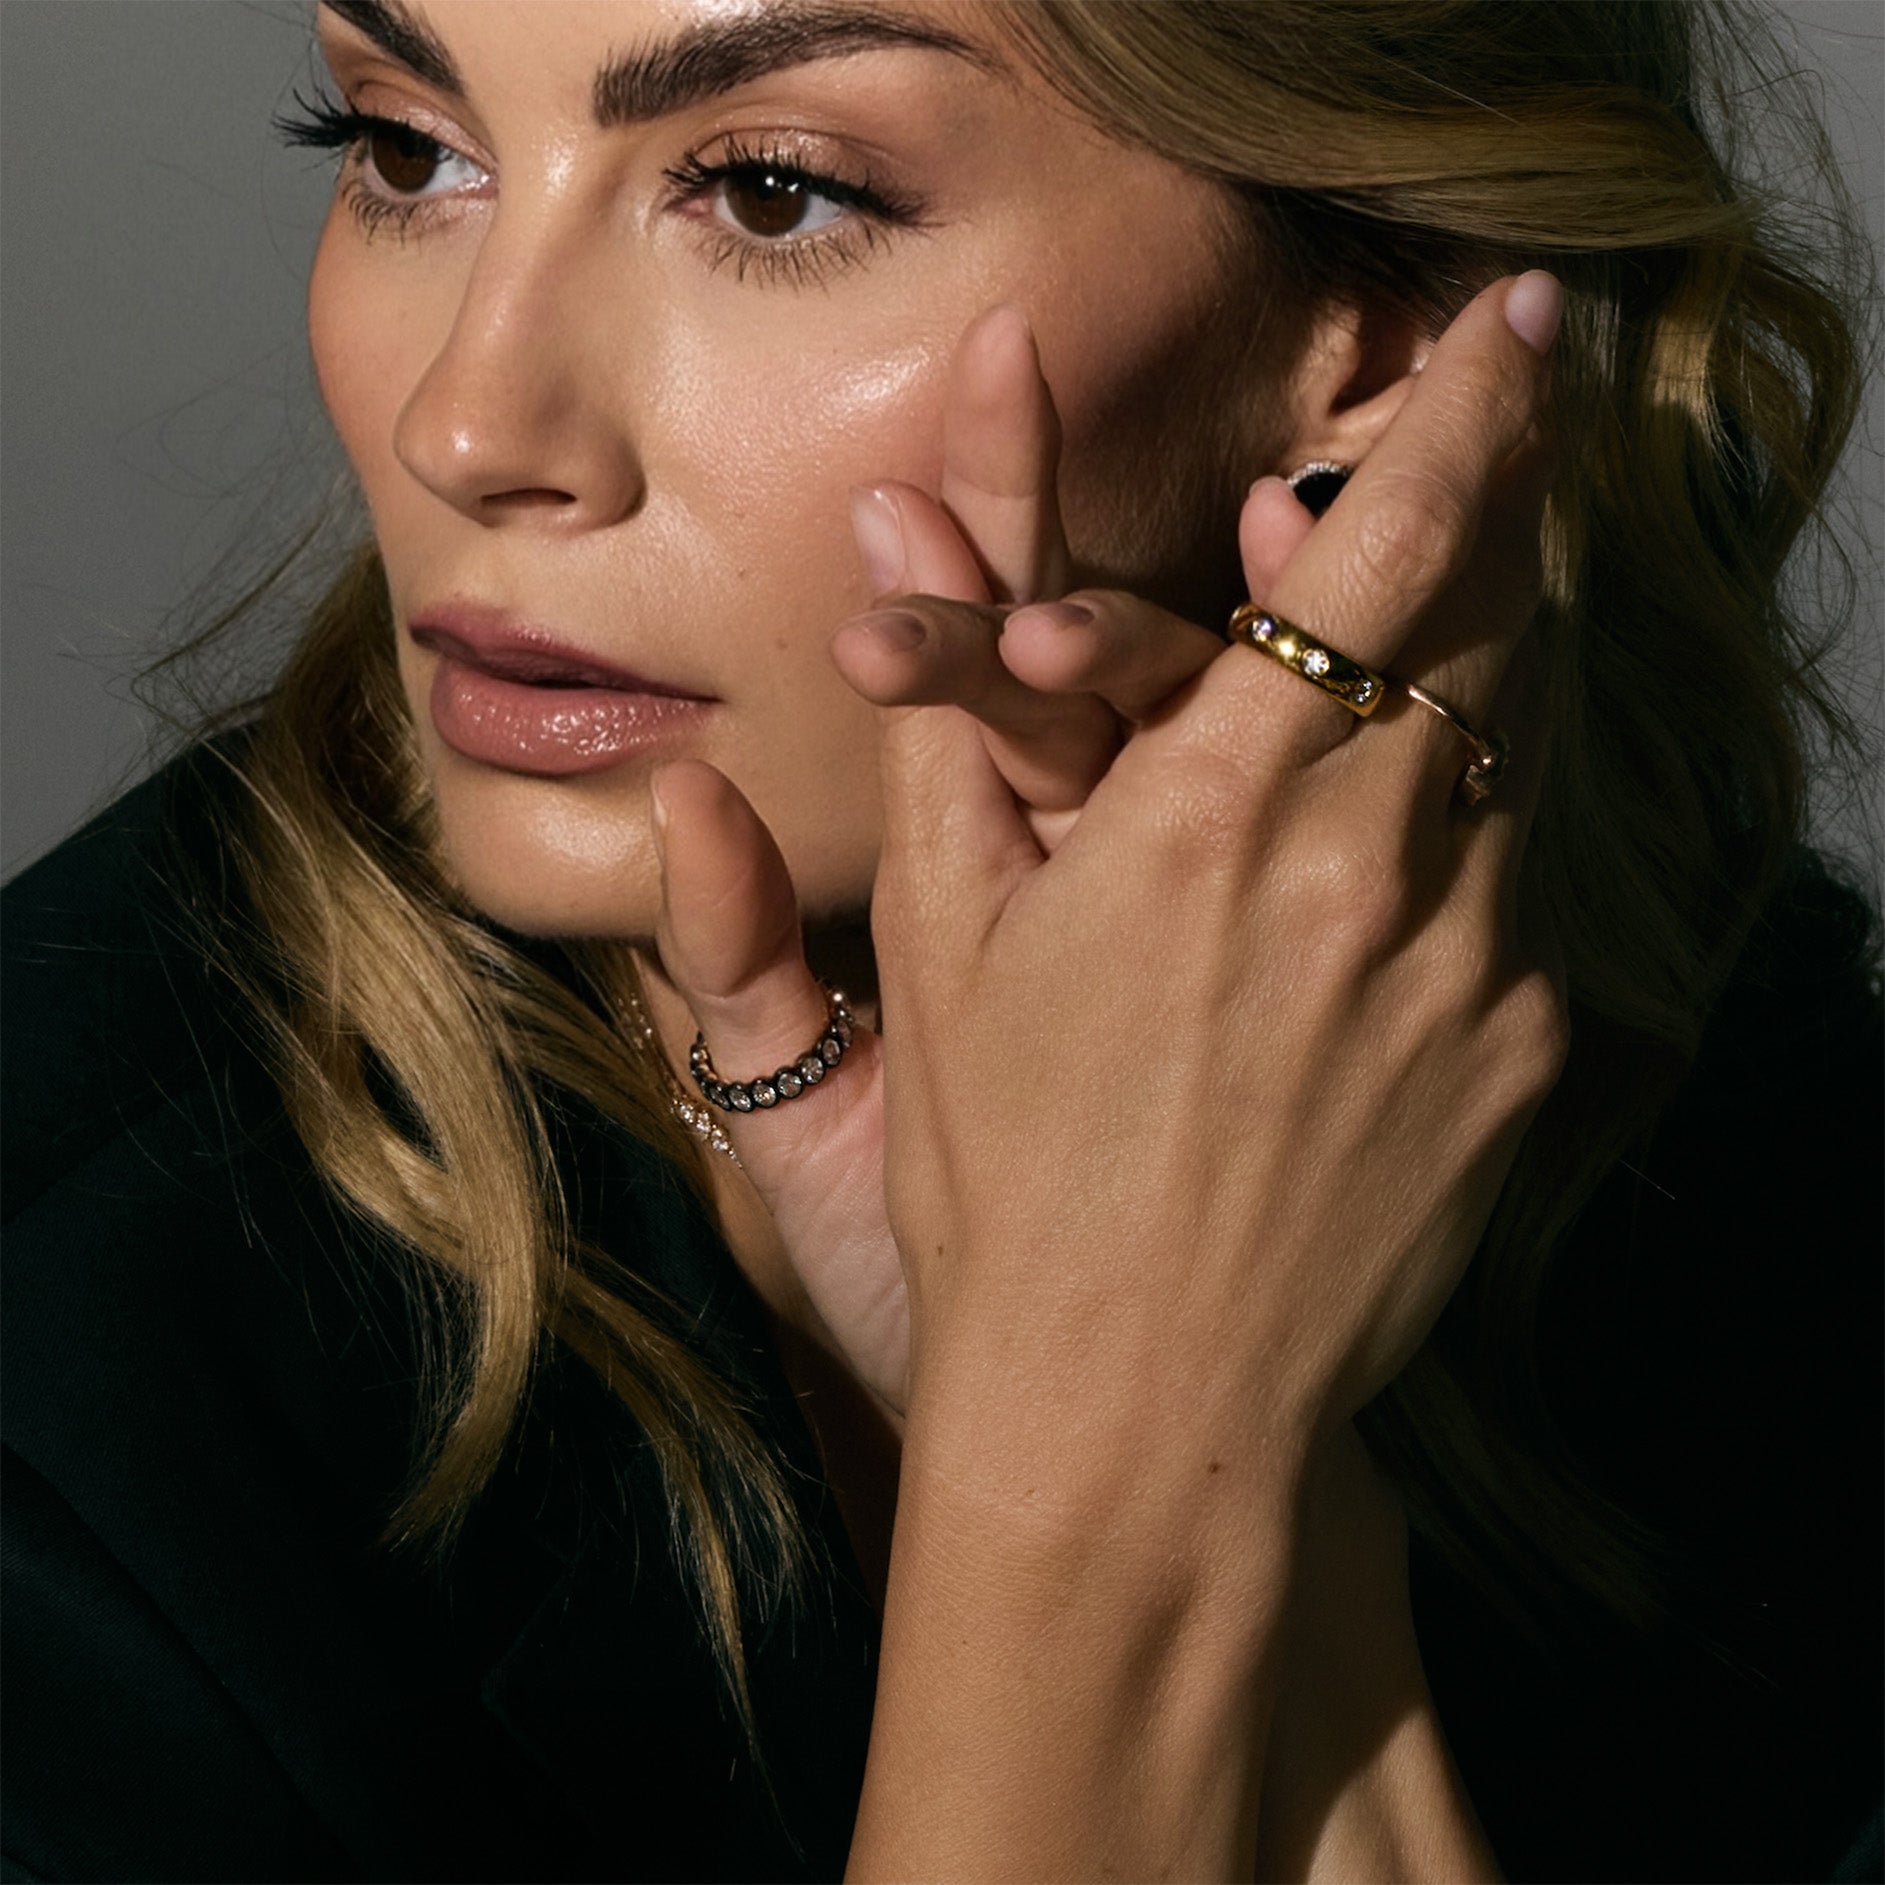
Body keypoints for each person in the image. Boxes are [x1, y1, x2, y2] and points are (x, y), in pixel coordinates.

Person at [4, 1, 1878, 1879]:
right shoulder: (69, 1418)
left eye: (766, 191)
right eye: (410, 152)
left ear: (1390, 326)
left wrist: (1262, 1535)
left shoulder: (1763, 1148)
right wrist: (1106, 1461)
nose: (470, 423)